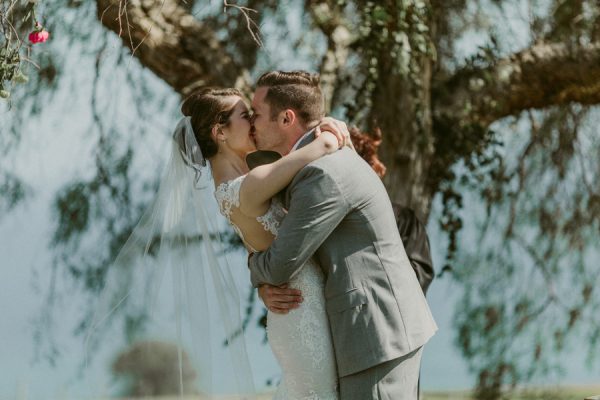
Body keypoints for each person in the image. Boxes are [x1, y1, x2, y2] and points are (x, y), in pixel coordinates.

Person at [247, 70, 438, 399]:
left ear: (286, 118)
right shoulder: (316, 162)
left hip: (376, 334)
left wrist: (254, 266)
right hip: (369, 331)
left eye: (258, 115)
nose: (252, 123)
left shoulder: (321, 173)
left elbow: (280, 265)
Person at [180, 86, 352, 398]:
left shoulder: (236, 184)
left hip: (296, 302)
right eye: (246, 116)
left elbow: (257, 247)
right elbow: (322, 145)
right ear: (220, 133)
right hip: (301, 310)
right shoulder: (250, 184)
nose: (255, 122)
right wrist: (333, 127)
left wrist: (260, 283)